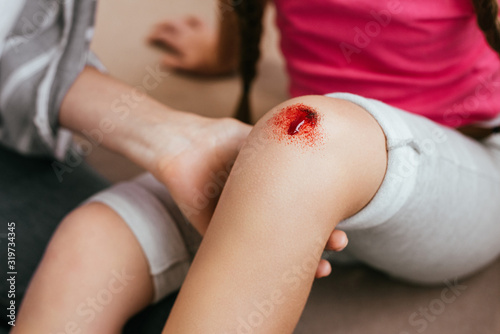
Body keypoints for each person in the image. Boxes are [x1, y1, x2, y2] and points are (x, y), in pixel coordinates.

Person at [12, 0, 500, 333]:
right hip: (300, 185)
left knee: (302, 131)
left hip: (449, 172)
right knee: (94, 238)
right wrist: (223, 53)